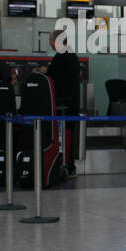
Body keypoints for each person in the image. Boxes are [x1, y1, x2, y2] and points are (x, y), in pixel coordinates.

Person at [47, 27, 81, 177]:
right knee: (69, 136)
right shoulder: (71, 54)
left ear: (56, 41)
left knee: (63, 136)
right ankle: (69, 166)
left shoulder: (61, 56)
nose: (50, 43)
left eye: (50, 40)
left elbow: (51, 78)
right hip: (72, 102)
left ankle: (64, 166)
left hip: (64, 106)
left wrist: (43, 72)